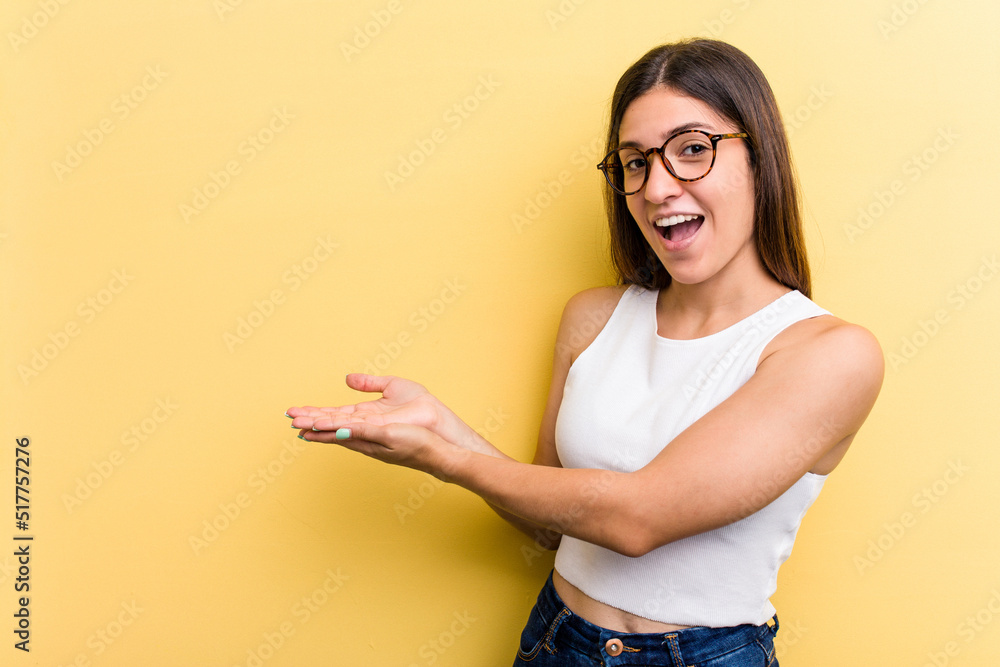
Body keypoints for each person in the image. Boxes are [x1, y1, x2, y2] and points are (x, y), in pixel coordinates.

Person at [286, 38, 883, 666]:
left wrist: (445, 460)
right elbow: (552, 521)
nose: (656, 188)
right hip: (554, 639)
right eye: (634, 163)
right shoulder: (594, 318)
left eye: (692, 150)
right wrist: (443, 425)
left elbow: (636, 521)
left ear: (761, 158)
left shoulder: (829, 354)